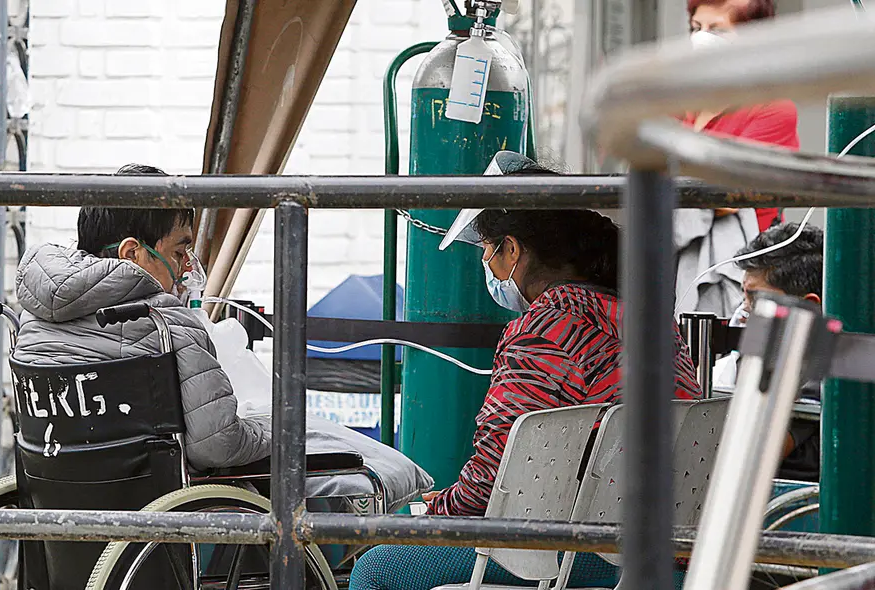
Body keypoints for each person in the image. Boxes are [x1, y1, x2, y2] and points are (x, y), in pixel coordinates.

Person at [349, 152, 703, 590]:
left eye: (487, 253)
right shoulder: (651, 320)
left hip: (592, 555)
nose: (489, 268)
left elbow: (494, 480)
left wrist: (435, 515)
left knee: (378, 567)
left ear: (512, 249)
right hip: (674, 550)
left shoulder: (544, 327)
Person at [12, 163, 271, 470]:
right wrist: (272, 426)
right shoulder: (169, 325)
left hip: (53, 492)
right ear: (133, 254)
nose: (187, 268)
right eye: (178, 253)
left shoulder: (31, 318)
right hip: (150, 501)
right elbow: (217, 446)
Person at [675, 0, 800, 317]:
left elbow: (728, 194)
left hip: (749, 276)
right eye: (696, 29)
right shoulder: (677, 104)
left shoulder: (772, 108)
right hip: (671, 264)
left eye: (717, 30)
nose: (702, 40)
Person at [713, 222, 822, 481]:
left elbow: (747, 453)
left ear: (807, 307)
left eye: (755, 299)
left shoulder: (818, 375)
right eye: (744, 296)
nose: (743, 311)